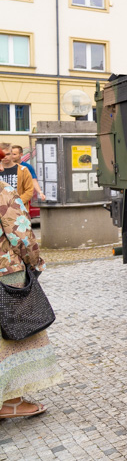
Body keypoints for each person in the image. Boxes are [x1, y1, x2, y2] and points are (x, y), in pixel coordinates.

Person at [0, 162, 61, 419]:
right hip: (5, 272)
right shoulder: (1, 190)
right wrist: (35, 262)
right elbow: (22, 234)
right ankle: (10, 402)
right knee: (12, 339)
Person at [0, 144, 33, 211]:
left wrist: (17, 202)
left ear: (12, 154)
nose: (5, 157)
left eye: (8, 154)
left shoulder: (23, 170)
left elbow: (29, 190)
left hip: (18, 210)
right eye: (2, 155)